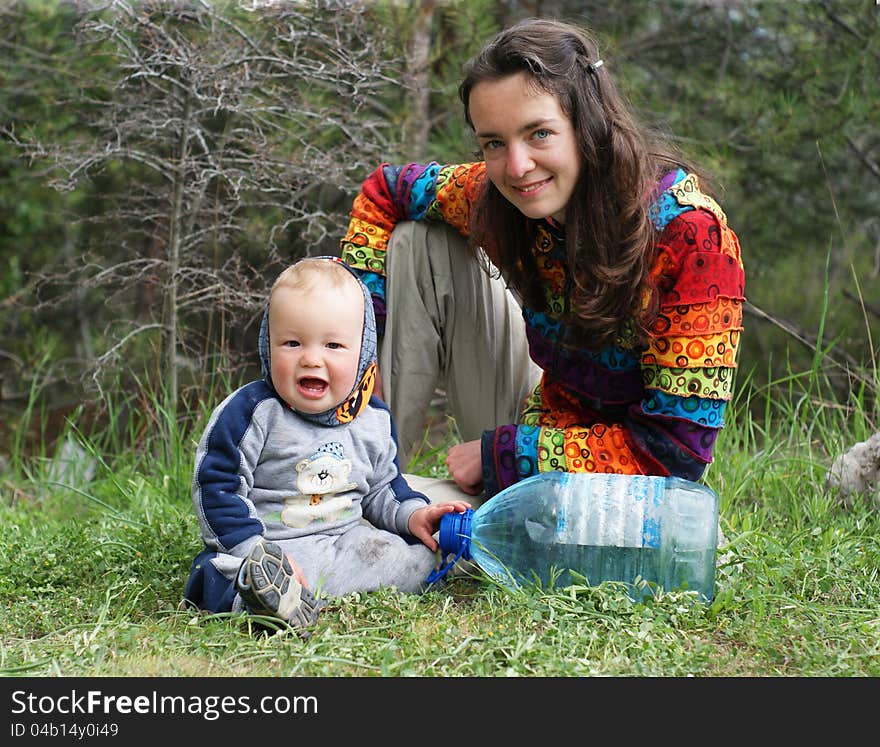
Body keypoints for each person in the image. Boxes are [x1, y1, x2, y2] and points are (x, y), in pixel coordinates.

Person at [340, 18, 745, 503]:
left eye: (539, 134)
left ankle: (398, 507)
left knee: (464, 529)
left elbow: (676, 454)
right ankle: (352, 469)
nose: (516, 166)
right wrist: (368, 345)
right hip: (544, 414)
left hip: (630, 490)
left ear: (587, 124)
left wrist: (502, 456)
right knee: (415, 239)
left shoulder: (692, 236)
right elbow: (385, 190)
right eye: (494, 142)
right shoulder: (495, 196)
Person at [183, 256, 470, 631]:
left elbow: (383, 488)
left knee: (416, 558)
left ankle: (305, 596)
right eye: (292, 343)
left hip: (344, 544)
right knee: (220, 572)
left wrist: (415, 515)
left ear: (363, 352)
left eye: (333, 345)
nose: (312, 359)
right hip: (269, 546)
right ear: (268, 346)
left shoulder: (372, 419)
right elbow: (218, 487)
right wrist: (250, 549)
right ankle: (264, 597)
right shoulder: (253, 412)